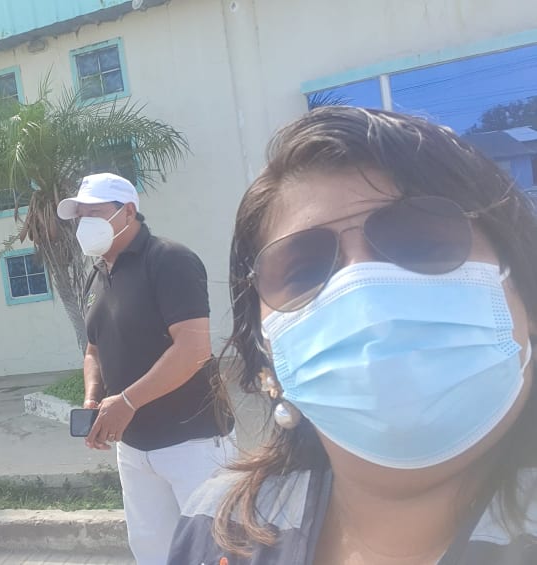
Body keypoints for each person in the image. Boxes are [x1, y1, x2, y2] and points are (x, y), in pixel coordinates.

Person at [169, 106, 537, 564]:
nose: (362, 291)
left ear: (524, 292)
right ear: (266, 353)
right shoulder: (219, 527)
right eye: (304, 270)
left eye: (421, 241)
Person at [57, 172, 235, 564]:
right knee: (153, 552)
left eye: (94, 212)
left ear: (128, 212)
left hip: (194, 442)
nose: (84, 223)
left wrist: (127, 401)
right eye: (79, 215)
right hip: (134, 449)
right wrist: (94, 400)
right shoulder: (98, 275)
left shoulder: (169, 260)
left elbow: (194, 349)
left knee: (215, 552)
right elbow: (93, 350)